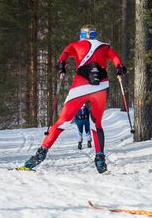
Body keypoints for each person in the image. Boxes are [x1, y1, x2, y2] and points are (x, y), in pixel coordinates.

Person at [22, 25, 127, 174]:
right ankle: (100, 158)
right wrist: (119, 68)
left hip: (81, 87)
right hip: (101, 87)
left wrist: (62, 66)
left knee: (62, 122)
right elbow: (117, 60)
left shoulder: (75, 45)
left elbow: (63, 57)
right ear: (95, 34)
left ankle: (41, 153)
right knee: (96, 124)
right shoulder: (105, 46)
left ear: (81, 35)